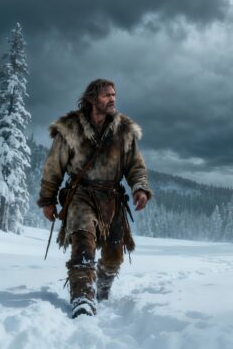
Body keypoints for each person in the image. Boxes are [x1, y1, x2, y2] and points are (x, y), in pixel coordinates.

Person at [37, 78, 152, 318]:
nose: (112, 99)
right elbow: (53, 167)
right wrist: (48, 200)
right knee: (82, 245)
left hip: (112, 197)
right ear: (92, 99)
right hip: (81, 194)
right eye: (106, 95)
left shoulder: (124, 130)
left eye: (114, 95)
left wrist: (140, 188)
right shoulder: (70, 129)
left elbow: (135, 166)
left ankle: (102, 286)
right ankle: (82, 298)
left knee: (114, 256)